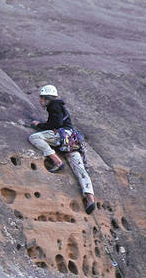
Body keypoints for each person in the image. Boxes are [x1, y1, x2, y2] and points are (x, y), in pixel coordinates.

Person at [28, 85, 96, 214]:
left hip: (62, 137)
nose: (40, 101)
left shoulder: (53, 105)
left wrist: (40, 125)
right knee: (80, 168)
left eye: (41, 98)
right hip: (71, 141)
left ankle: (57, 161)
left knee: (34, 138)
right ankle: (90, 198)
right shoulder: (59, 106)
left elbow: (56, 124)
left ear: (46, 98)